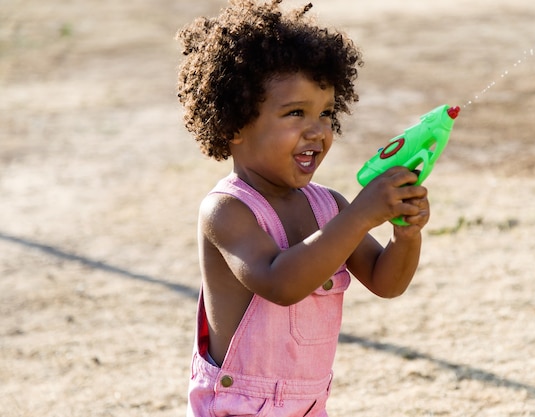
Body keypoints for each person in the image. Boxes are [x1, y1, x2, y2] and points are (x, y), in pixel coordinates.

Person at [176, 1, 430, 415]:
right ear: (234, 124)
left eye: (326, 113)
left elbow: (387, 282)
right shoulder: (227, 211)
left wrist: (406, 232)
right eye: (295, 113)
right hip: (238, 407)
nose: (317, 131)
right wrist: (362, 214)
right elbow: (281, 284)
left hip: (310, 406)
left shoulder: (329, 206)